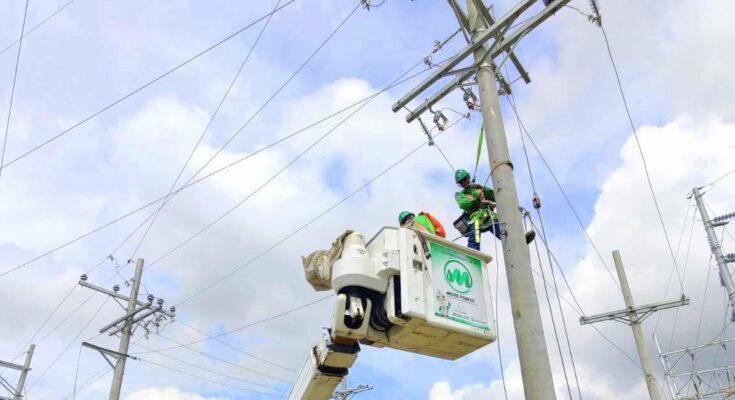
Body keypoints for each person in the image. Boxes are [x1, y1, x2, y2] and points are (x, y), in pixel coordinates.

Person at [454, 168, 534, 251]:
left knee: (503, 231)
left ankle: (519, 242)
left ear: (468, 177)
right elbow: (463, 203)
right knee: (475, 234)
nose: (463, 182)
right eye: (461, 182)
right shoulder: (460, 194)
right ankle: (473, 252)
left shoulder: (478, 189)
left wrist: (482, 188)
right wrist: (477, 199)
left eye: (464, 179)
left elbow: (495, 196)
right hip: (476, 219)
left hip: (489, 217)